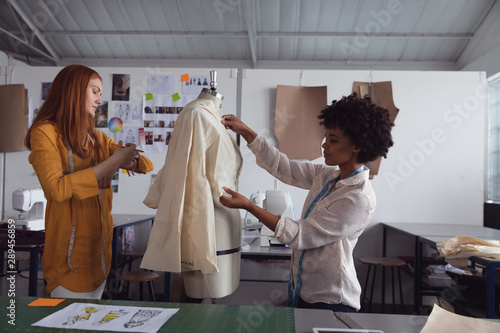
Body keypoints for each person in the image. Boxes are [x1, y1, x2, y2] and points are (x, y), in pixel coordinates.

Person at [219, 93, 394, 312]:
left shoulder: (358, 198)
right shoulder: (328, 175)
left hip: (332, 301)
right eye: (326, 138)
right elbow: (284, 167)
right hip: (304, 291)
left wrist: (250, 206)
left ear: (357, 146)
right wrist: (247, 132)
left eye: (333, 140)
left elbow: (300, 236)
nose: (324, 145)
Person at [25, 64, 154, 299]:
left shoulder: (97, 138)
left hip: (99, 263)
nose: (99, 100)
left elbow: (145, 164)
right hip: (67, 267)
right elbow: (56, 189)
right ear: (74, 91)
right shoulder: (44, 133)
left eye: (101, 93)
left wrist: (126, 159)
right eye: (95, 91)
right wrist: (112, 163)